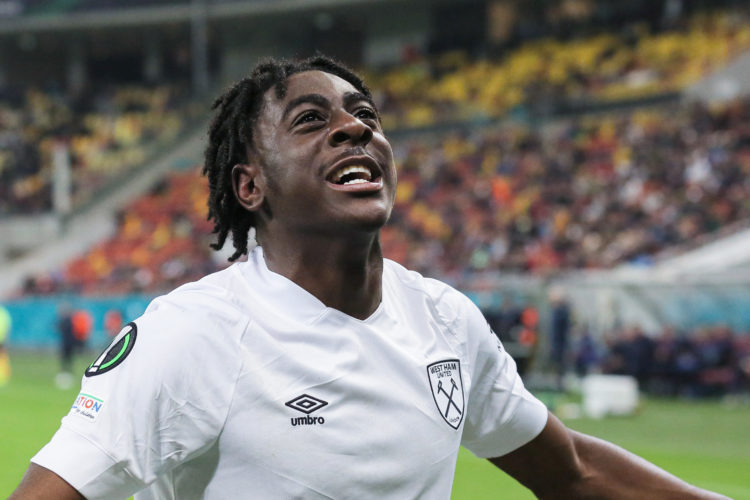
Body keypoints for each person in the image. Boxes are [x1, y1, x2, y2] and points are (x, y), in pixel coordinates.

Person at [11, 56, 729, 500]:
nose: (354, 129)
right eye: (311, 120)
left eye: (364, 116)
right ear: (250, 186)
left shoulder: (446, 322)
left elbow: (571, 472)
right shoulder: (191, 337)